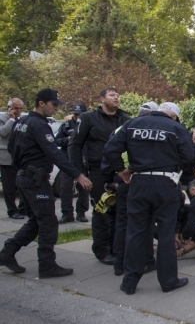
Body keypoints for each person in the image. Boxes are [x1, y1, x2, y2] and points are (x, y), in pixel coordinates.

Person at [0, 89, 92, 278]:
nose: (56, 108)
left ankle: (7, 253)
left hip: (26, 176)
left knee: (36, 221)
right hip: (35, 179)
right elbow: (54, 152)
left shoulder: (22, 122)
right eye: (53, 104)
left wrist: (22, 167)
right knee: (49, 222)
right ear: (41, 103)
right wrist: (77, 175)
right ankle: (47, 265)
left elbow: (11, 147)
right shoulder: (38, 124)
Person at [103, 102, 193, 295]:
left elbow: (110, 149)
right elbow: (188, 157)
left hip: (139, 183)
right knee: (166, 234)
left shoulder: (133, 124)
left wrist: (121, 170)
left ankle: (129, 283)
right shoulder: (176, 128)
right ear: (173, 116)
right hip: (166, 184)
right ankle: (168, 281)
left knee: (135, 232)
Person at [68, 87, 130, 265]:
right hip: (97, 172)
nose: (116, 98)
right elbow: (75, 145)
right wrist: (78, 173)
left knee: (119, 212)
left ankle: (117, 249)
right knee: (102, 210)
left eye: (118, 95)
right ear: (102, 99)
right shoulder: (88, 118)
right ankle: (102, 251)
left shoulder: (125, 119)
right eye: (112, 95)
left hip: (119, 172)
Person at [109, 102, 156, 277]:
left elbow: (109, 152)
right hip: (142, 180)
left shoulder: (123, 127)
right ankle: (147, 260)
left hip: (122, 181)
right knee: (145, 223)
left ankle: (119, 264)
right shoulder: (153, 130)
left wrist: (119, 172)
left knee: (122, 224)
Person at [55, 102, 89, 223]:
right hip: (68, 161)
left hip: (83, 161)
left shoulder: (89, 125)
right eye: (75, 114)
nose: (77, 117)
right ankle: (67, 214)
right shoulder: (66, 125)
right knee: (65, 188)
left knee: (84, 189)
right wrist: (68, 140)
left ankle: (81, 213)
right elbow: (57, 141)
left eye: (80, 114)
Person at [0, 98, 26, 219]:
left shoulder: (22, 119)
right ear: (9, 108)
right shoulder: (2, 118)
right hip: (6, 158)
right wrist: (11, 119)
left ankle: (23, 208)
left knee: (22, 184)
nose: (19, 111)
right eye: (16, 108)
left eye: (21, 108)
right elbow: (3, 132)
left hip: (19, 157)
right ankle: (12, 210)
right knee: (9, 187)